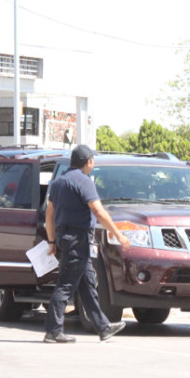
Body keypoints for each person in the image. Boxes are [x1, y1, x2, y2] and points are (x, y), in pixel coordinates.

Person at [44, 144, 131, 343]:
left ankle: (103, 326)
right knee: (65, 285)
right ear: (88, 162)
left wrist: (51, 240)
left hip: (67, 238)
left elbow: (50, 214)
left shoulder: (58, 182)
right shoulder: (84, 182)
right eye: (93, 160)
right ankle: (53, 330)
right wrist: (118, 234)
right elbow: (99, 211)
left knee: (88, 285)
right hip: (78, 239)